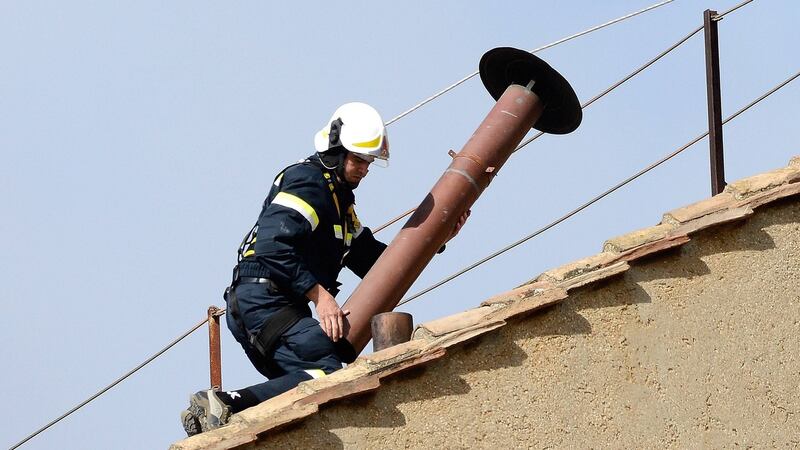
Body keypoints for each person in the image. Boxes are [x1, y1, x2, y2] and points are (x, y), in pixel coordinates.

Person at [180, 102, 468, 436]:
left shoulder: (340, 208)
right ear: (334, 151)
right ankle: (226, 403)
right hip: (264, 301)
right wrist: (321, 296)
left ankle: (226, 414)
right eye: (359, 160)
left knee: (313, 384)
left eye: (369, 162)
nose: (365, 169)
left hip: (269, 306)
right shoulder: (308, 182)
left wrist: (438, 238)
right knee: (329, 370)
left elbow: (377, 264)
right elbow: (272, 246)